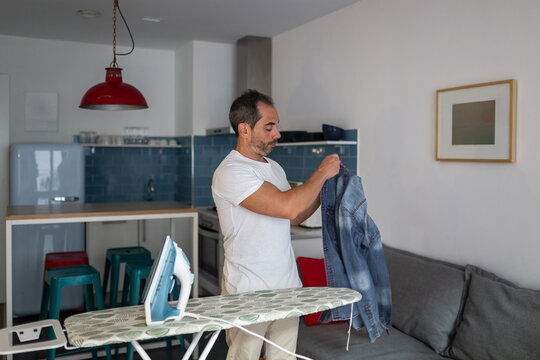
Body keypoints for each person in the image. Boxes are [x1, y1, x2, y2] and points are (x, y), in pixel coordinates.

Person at [211, 89, 340, 360]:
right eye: (269, 126)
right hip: (248, 292)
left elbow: (293, 216)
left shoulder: (275, 168)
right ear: (244, 129)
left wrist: (324, 193)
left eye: (277, 125)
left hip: (287, 287)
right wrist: (321, 173)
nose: (277, 133)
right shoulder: (231, 172)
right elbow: (288, 205)